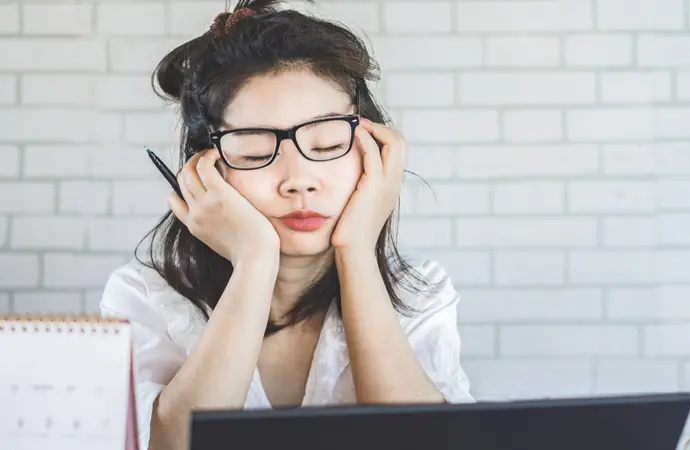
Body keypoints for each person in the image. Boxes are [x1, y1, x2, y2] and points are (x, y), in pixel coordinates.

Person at [98, 1, 473, 449]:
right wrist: (255, 261)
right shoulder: (144, 299)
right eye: (256, 151)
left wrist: (356, 249)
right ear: (203, 171)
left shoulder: (421, 295)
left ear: (374, 152)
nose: (299, 182)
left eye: (329, 142)